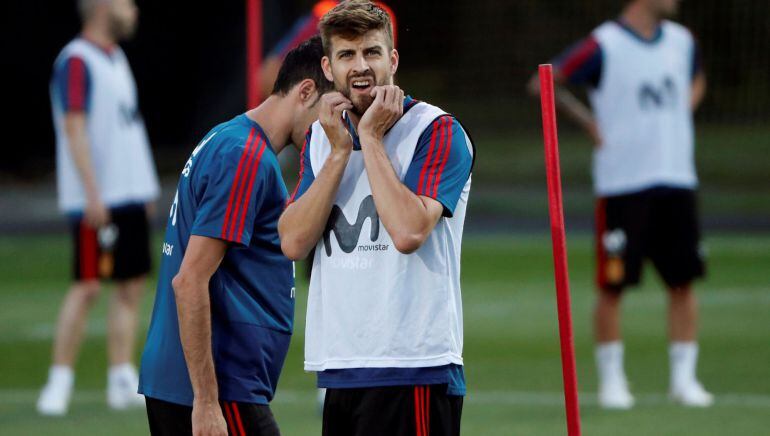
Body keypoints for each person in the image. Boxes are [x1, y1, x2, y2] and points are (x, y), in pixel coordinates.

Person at [279, 2, 474, 435]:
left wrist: (371, 137)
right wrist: (340, 153)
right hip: (342, 364)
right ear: (328, 68)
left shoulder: (436, 130)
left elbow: (408, 231)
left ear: (393, 59)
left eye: (372, 52)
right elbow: (293, 243)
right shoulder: (323, 137)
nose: (361, 66)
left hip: (414, 366)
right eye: (347, 56)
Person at [138, 36, 333, 436]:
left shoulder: (233, 139)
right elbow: (190, 280)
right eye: (331, 110)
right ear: (307, 91)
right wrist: (207, 403)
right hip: (219, 391)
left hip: (208, 387)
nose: (334, 126)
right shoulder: (245, 155)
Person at [529, 0, 711, 409]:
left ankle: (685, 380)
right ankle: (613, 382)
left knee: (683, 281)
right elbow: (544, 82)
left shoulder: (684, 42)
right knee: (613, 284)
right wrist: (589, 121)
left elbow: (696, 77)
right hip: (623, 183)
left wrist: (683, 108)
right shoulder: (603, 45)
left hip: (677, 177)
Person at [38, 0, 160, 416]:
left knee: (131, 285)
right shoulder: (76, 61)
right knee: (88, 285)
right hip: (98, 197)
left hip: (128, 193)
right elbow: (73, 127)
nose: (132, 9)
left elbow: (127, 126)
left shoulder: (117, 58)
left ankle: (121, 376)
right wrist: (91, 192)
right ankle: (59, 379)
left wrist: (143, 186)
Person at [259, 0, 396, 100]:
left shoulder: (381, 14)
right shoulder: (322, 14)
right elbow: (267, 76)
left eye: (371, 53)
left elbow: (387, 75)